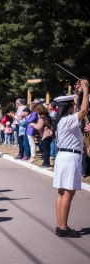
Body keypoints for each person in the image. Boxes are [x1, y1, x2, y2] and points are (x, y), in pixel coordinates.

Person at [53, 79, 88, 238]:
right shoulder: (68, 120)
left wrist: (79, 93)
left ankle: (61, 226)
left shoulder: (62, 120)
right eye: (73, 104)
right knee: (68, 194)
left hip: (63, 157)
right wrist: (86, 89)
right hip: (70, 157)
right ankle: (63, 227)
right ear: (68, 107)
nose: (75, 106)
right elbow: (84, 111)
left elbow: (80, 108)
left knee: (62, 193)